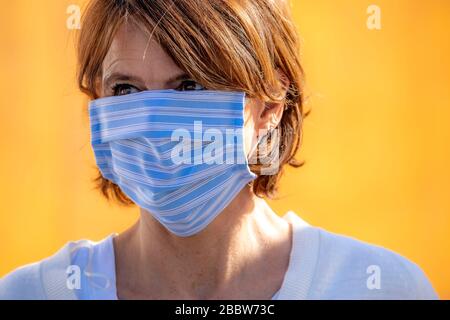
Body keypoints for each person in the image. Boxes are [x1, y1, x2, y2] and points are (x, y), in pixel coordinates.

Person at [0, 0, 438, 300]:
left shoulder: (377, 286)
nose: (153, 123)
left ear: (269, 102)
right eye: (126, 88)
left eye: (190, 85)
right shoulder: (33, 291)